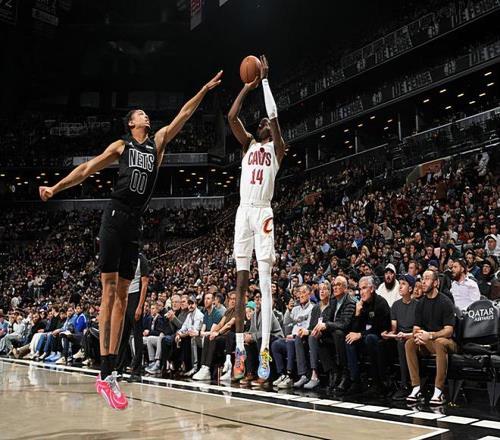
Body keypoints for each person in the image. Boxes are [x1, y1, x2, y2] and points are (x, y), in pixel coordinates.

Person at [39, 72, 222, 409]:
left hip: (135, 222)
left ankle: (110, 373)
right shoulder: (121, 146)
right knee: (109, 293)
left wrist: (203, 90)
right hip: (114, 215)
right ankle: (104, 371)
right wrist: (55, 187)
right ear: (131, 123)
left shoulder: (158, 143)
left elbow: (183, 115)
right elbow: (87, 169)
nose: (145, 115)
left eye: (145, 113)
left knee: (123, 299)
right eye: (140, 113)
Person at [228, 55, 286, 381]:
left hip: (263, 211)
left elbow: (274, 115)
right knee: (240, 282)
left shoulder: (278, 149)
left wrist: (264, 81)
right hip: (243, 211)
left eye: (265, 121)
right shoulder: (248, 145)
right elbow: (231, 116)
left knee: (264, 281)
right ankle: (239, 349)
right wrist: (247, 87)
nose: (263, 120)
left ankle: (263, 348)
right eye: (260, 120)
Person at [405, 270, 457, 405]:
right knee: (410, 343)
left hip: (448, 342)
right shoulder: (420, 303)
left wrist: (431, 335)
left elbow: (449, 330)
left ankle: (439, 391)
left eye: (427, 279)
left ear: (436, 283)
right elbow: (416, 328)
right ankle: (416, 387)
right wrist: (418, 335)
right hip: (428, 342)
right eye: (423, 278)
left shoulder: (445, 302)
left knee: (439, 342)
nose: (423, 282)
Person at [345, 276, 391, 395]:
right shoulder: (361, 305)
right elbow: (354, 330)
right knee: (349, 339)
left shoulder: (381, 303)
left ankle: (378, 383)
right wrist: (357, 313)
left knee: (370, 338)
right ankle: (355, 381)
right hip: (365, 338)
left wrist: (361, 334)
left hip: (380, 340)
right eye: (360, 289)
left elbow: (381, 328)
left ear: (372, 289)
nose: (361, 292)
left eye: (364, 288)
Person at [381, 274, 418, 400]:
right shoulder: (396, 305)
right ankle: (386, 382)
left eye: (403, 284)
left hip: (412, 337)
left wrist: (405, 335)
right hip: (399, 336)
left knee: (403, 343)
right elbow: (394, 328)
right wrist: (388, 334)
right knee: (382, 343)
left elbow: (418, 330)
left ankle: (405, 385)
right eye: (400, 283)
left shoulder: (417, 305)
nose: (400, 286)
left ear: (410, 288)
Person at [116, 253, 149, 382]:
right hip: (124, 298)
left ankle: (136, 372)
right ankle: (119, 370)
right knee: (122, 337)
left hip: (135, 297)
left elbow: (144, 284)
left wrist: (140, 306)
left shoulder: (142, 259)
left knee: (137, 337)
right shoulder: (124, 259)